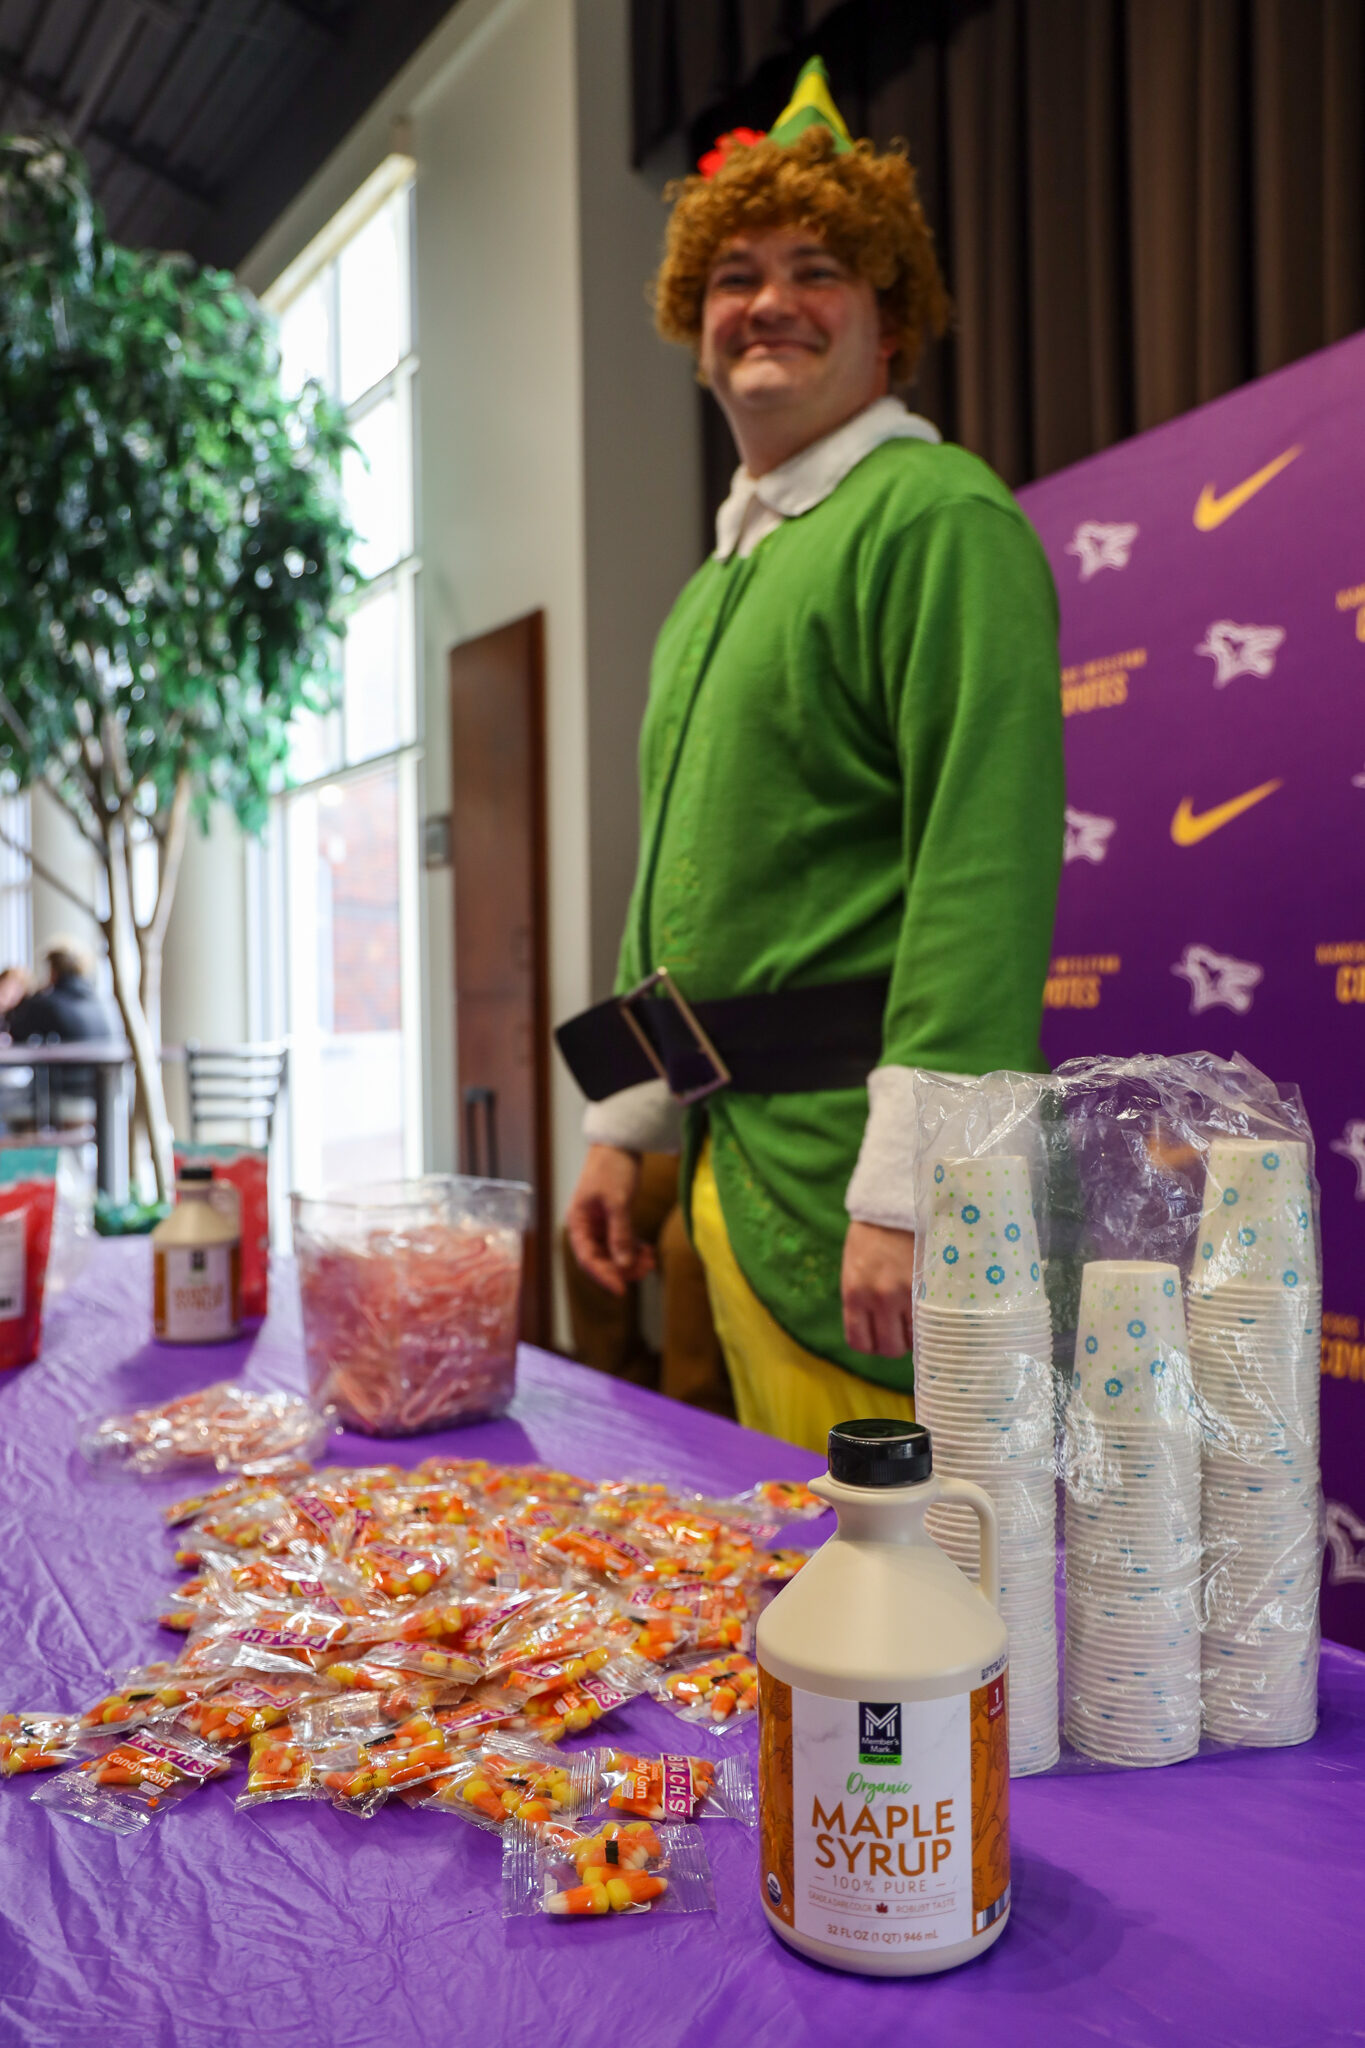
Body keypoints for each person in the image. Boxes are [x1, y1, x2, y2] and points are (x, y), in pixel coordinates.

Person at [562, 60, 1063, 1453]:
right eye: (731, 275)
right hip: (733, 1172)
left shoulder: (936, 518)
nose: (765, 300)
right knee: (772, 1592)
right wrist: (629, 1126)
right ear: (692, 321)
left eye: (815, 268)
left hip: (859, 1192)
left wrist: (916, 1194)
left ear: (889, 325)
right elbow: (679, 885)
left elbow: (983, 868)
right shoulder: (710, 588)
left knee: (906, 1620)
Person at [559, 1151, 733, 1417]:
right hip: (685, 1135)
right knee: (589, 1229)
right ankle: (609, 1398)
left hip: (749, 1143)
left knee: (684, 1250)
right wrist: (615, 1143)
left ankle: (696, 1422)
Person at [5, 936, 115, 1124]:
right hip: (102, 1095)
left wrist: (32, 997)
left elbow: (17, 1034)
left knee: (6, 1103)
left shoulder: (49, 1003)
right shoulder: (100, 1002)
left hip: (64, 1097)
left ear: (53, 971)